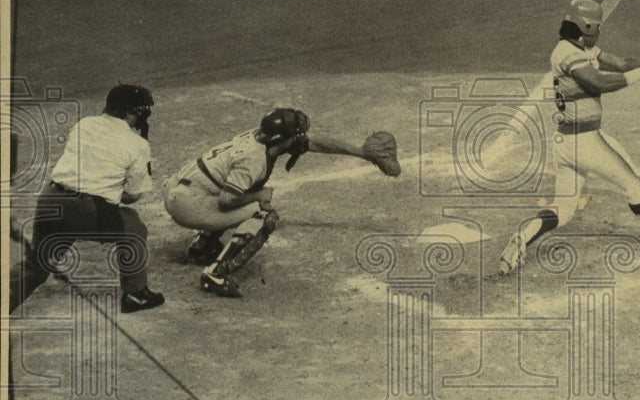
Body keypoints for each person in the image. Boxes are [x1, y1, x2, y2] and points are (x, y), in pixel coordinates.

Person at [499, 0, 640, 274]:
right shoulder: (566, 54)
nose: (599, 31)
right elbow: (598, 81)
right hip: (586, 142)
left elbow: (619, 63)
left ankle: (523, 237)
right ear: (587, 25)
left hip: (564, 143)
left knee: (564, 208)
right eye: (597, 26)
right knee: (635, 184)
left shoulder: (579, 46)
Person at [163, 109, 397, 298]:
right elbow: (226, 201)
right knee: (263, 215)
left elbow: (315, 143)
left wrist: (360, 152)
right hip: (189, 204)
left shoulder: (261, 136)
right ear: (284, 138)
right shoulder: (254, 159)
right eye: (296, 134)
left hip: (182, 189)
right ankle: (216, 273)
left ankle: (204, 245)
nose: (301, 137)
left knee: (244, 189)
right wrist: (258, 196)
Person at [10, 84, 165, 313]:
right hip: (84, 209)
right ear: (130, 114)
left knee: (37, 264)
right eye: (141, 112)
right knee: (134, 227)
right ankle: (135, 294)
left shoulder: (84, 124)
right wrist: (111, 191)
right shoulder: (138, 144)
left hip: (50, 199)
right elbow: (133, 196)